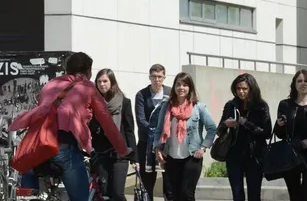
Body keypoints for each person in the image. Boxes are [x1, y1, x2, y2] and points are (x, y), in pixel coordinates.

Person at [9, 52, 131, 201]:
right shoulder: (88, 87)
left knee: (28, 189)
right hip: (64, 148)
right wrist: (123, 150)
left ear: (67, 70)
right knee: (81, 197)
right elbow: (108, 124)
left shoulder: (51, 84)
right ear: (88, 71)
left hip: (39, 147)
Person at [153, 72, 216, 201]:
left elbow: (212, 129)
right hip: (171, 157)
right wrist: (157, 148)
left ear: (190, 88)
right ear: (174, 87)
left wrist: (203, 147)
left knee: (187, 195)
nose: (181, 88)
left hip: (192, 157)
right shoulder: (166, 106)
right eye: (178, 85)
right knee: (172, 195)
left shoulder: (198, 107)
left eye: (185, 85)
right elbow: (159, 130)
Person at [274, 69, 307, 201]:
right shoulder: (285, 105)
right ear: (294, 84)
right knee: (295, 195)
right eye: (299, 80)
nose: (303, 83)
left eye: (306, 81)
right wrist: (279, 125)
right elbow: (279, 134)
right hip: (290, 154)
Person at [217, 73, 272, 201]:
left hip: (255, 156)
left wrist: (246, 123)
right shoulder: (231, 105)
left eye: (244, 89)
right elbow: (219, 129)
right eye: (238, 89)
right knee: (237, 195)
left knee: (254, 195)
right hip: (234, 155)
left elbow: (267, 133)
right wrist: (226, 124)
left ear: (251, 89)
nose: (241, 92)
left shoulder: (261, 106)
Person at [89, 68, 137, 201]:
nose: (102, 84)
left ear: (112, 82)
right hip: (101, 152)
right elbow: (89, 127)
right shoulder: (93, 103)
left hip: (120, 154)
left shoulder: (124, 102)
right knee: (103, 192)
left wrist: (134, 157)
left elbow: (129, 130)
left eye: (105, 81)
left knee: (117, 193)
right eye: (99, 82)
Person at [134, 64, 172, 200]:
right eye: (154, 77)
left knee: (169, 184)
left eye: (160, 77)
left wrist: (163, 136)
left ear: (164, 77)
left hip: (167, 145)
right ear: (149, 77)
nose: (157, 80)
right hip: (146, 145)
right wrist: (156, 134)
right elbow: (141, 120)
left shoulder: (170, 93)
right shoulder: (141, 95)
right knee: (148, 184)